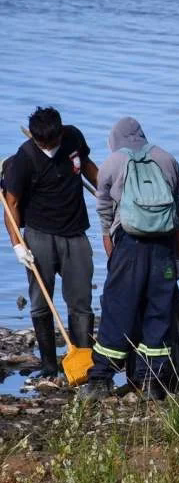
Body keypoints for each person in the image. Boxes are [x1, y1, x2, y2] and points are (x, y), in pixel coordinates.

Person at [81, 117, 179, 400]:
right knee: (158, 314)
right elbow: (178, 216)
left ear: (115, 139)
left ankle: (100, 380)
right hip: (163, 248)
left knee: (118, 311)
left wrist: (112, 250)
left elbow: (104, 213)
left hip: (129, 245)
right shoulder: (168, 160)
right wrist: (177, 260)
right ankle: (151, 382)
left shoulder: (112, 164)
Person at [2, 107, 97, 379]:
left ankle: (83, 361)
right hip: (39, 235)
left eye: (53, 141)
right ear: (35, 138)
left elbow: (89, 169)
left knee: (80, 301)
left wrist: (108, 192)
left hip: (75, 233)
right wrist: (18, 245)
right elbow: (12, 204)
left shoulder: (73, 138)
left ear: (60, 131)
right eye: (44, 143)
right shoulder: (24, 158)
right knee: (41, 302)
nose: (49, 147)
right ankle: (48, 366)